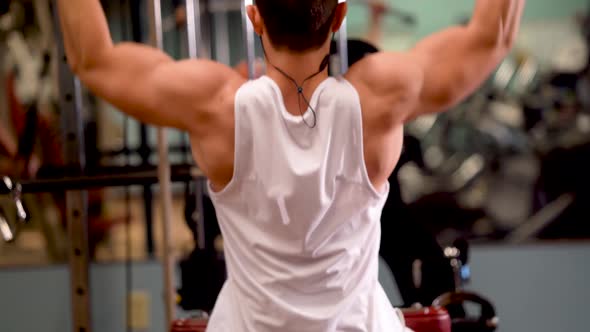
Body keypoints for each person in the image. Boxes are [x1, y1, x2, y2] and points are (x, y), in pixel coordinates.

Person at [57, 0, 525, 331]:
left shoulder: (213, 106)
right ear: (340, 16)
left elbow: (93, 59)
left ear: (254, 15)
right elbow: (492, 37)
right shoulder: (381, 97)